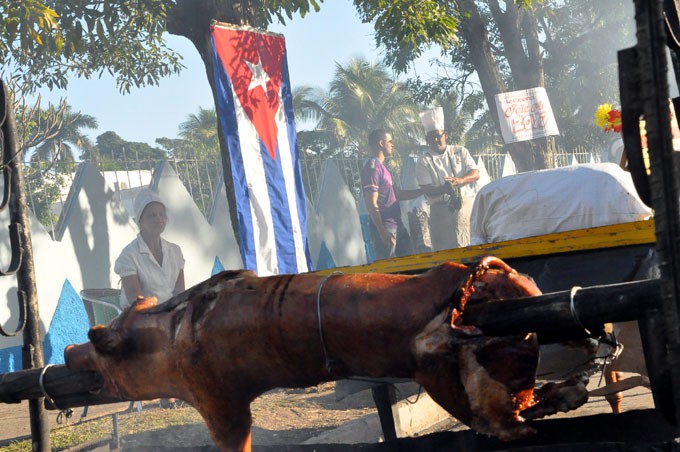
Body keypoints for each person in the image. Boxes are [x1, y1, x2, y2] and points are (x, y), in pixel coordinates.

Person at [114, 188, 185, 409]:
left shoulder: (175, 251)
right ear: (139, 220)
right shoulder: (128, 255)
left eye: (161, 214)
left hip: (168, 312)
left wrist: (178, 314)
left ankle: (187, 386)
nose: (158, 219)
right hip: (140, 316)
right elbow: (136, 299)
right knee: (161, 335)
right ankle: (168, 390)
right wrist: (162, 317)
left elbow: (181, 292)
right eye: (151, 215)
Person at [361, 129, 434, 259]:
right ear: (381, 143)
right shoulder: (372, 168)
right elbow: (371, 203)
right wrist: (382, 231)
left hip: (398, 226)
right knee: (389, 271)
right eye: (390, 142)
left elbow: (398, 195)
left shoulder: (384, 168)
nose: (392, 145)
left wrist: (423, 191)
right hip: (385, 228)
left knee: (410, 264)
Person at [416, 107, 480, 251]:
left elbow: (475, 174)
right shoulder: (423, 160)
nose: (436, 140)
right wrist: (445, 188)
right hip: (439, 210)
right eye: (431, 137)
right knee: (442, 250)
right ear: (427, 140)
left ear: (446, 135)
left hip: (463, 205)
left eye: (438, 135)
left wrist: (460, 181)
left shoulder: (460, 151)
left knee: (463, 244)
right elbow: (426, 189)